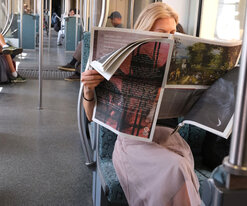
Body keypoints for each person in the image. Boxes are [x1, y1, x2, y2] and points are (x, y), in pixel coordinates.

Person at [81, 3, 201, 206]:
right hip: (134, 145)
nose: (170, 38)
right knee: (177, 169)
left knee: (177, 165)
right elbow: (91, 116)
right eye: (162, 33)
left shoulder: (179, 66)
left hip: (170, 141)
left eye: (173, 33)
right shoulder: (119, 60)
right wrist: (88, 90)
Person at [58, 11, 123, 81]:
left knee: (85, 47)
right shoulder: (116, 28)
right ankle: (76, 69)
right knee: (85, 45)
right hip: (108, 50)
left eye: (112, 19)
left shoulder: (120, 29)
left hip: (110, 52)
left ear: (118, 19)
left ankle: (74, 66)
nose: (111, 21)